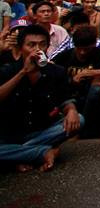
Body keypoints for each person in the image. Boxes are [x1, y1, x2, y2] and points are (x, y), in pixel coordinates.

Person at [0, 24, 84, 171]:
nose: (37, 49)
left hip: (42, 131)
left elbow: (65, 99)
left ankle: (19, 155)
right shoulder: (8, 70)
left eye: (42, 44)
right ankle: (41, 152)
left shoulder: (56, 71)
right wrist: (23, 73)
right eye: (31, 45)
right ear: (21, 48)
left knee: (79, 119)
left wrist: (71, 110)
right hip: (10, 133)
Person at [53, 23, 100, 137]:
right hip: (69, 96)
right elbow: (51, 70)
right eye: (79, 49)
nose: (82, 52)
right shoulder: (66, 56)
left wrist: (89, 73)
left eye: (86, 49)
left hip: (91, 97)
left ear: (94, 44)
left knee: (96, 89)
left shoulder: (98, 53)